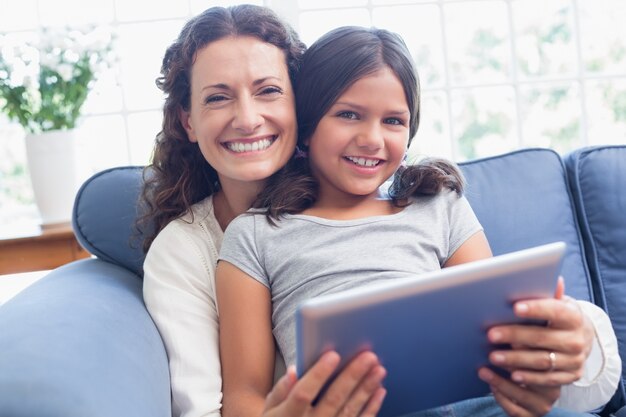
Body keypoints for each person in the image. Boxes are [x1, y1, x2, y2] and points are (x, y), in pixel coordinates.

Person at [215, 26, 621, 417]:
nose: (373, 139)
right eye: (349, 115)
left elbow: (499, 333)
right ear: (306, 126)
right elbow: (243, 398)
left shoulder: (437, 204)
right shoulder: (254, 235)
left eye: (393, 121)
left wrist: (545, 362)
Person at [140, 5, 387, 417]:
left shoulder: (366, 194)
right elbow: (202, 409)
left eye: (268, 90)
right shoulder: (184, 252)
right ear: (189, 122)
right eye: (217, 98)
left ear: (301, 105)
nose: (248, 119)